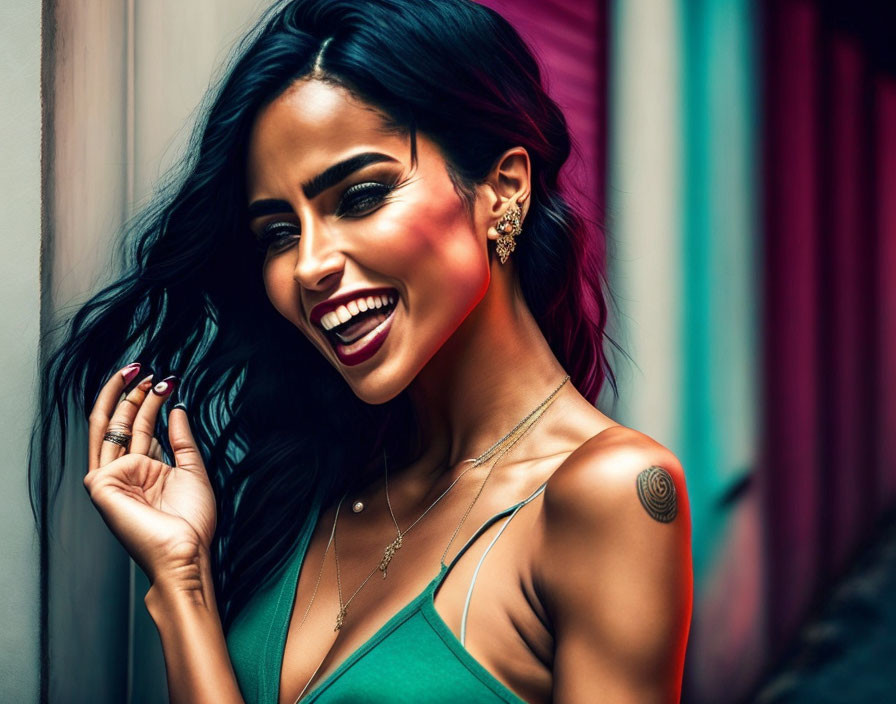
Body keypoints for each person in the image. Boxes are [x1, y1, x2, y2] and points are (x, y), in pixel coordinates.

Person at [31, 0, 693, 701]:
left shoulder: (610, 493)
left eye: (360, 196)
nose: (310, 265)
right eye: (279, 232)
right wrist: (182, 580)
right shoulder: (325, 477)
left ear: (503, 189)